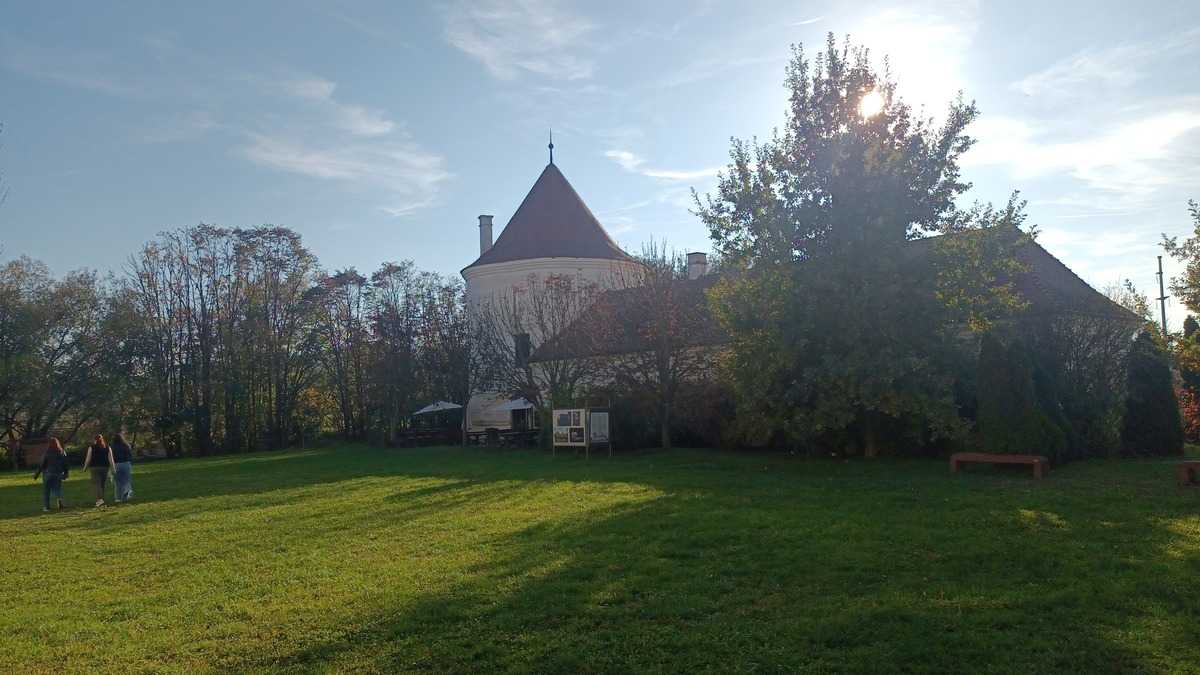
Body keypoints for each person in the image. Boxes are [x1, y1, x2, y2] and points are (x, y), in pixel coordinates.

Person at [32, 437, 69, 512]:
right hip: (58, 473)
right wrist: (66, 473)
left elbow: (42, 465)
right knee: (57, 489)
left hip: (48, 473)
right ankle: (60, 501)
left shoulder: (47, 453)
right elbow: (65, 464)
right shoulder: (62, 452)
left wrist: (37, 474)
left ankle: (46, 507)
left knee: (46, 491)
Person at [82, 435, 115, 507]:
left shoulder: (92, 447)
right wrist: (113, 469)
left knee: (97, 484)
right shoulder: (107, 447)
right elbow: (111, 459)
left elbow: (88, 458)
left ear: (95, 440)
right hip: (105, 467)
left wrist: (85, 468)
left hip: (94, 467)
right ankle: (101, 499)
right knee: (102, 484)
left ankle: (99, 500)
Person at [110, 432, 134, 503]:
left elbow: (110, 457)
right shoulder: (126, 445)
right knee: (126, 480)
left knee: (117, 483)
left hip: (116, 464)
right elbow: (130, 455)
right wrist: (130, 462)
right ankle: (126, 495)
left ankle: (118, 498)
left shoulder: (112, 447)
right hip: (126, 464)